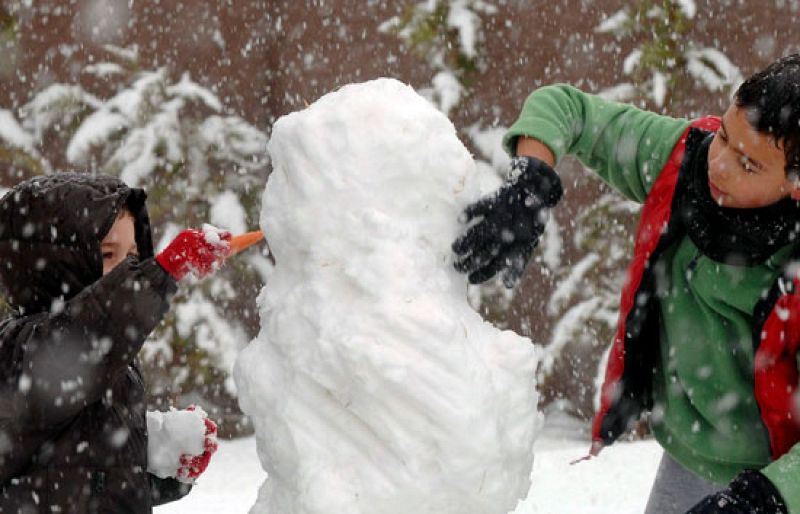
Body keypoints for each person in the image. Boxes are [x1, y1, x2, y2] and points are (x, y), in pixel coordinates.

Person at [453, 54, 800, 514]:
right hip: (691, 456)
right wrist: (531, 180)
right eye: (723, 137)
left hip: (776, 481)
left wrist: (763, 499)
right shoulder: (685, 164)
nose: (718, 165)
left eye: (749, 165)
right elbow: (566, 108)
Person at [0, 172, 230, 512]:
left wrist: (164, 469)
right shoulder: (19, 349)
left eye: (135, 255)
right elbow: (86, 335)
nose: (127, 269)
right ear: (55, 265)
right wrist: (159, 273)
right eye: (109, 255)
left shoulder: (110, 354)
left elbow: (89, 482)